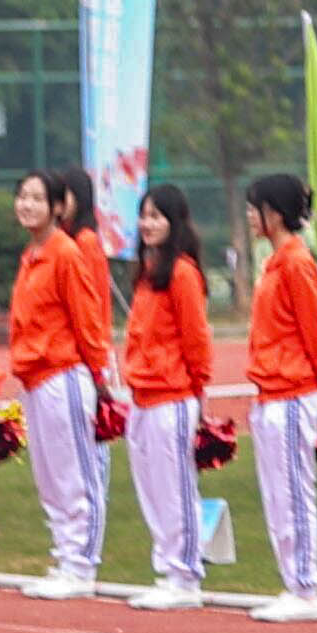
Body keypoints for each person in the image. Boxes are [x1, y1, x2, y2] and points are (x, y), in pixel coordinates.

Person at [6, 168, 113, 598]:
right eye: (22, 196)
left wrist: (99, 375)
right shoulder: (31, 256)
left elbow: (86, 318)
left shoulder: (66, 253)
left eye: (36, 198)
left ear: (57, 207)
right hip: (35, 378)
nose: (27, 204)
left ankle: (82, 564)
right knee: (48, 475)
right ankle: (65, 554)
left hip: (65, 374)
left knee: (74, 474)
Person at [239, 174, 317, 624]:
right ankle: (292, 581)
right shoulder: (275, 261)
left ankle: (304, 586)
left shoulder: (297, 263)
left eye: (253, 207)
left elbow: (314, 330)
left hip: (295, 392)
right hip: (271, 392)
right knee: (277, 494)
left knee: (294, 492)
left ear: (273, 213)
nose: (248, 216)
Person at [119, 188, 217, 611]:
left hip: (173, 395)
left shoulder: (181, 273)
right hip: (142, 395)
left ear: (175, 222)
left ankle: (185, 573)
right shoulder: (148, 272)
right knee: (151, 487)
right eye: (143, 216)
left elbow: (196, 338)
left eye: (157, 216)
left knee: (175, 486)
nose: (148, 223)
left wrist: (197, 389)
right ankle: (168, 566)